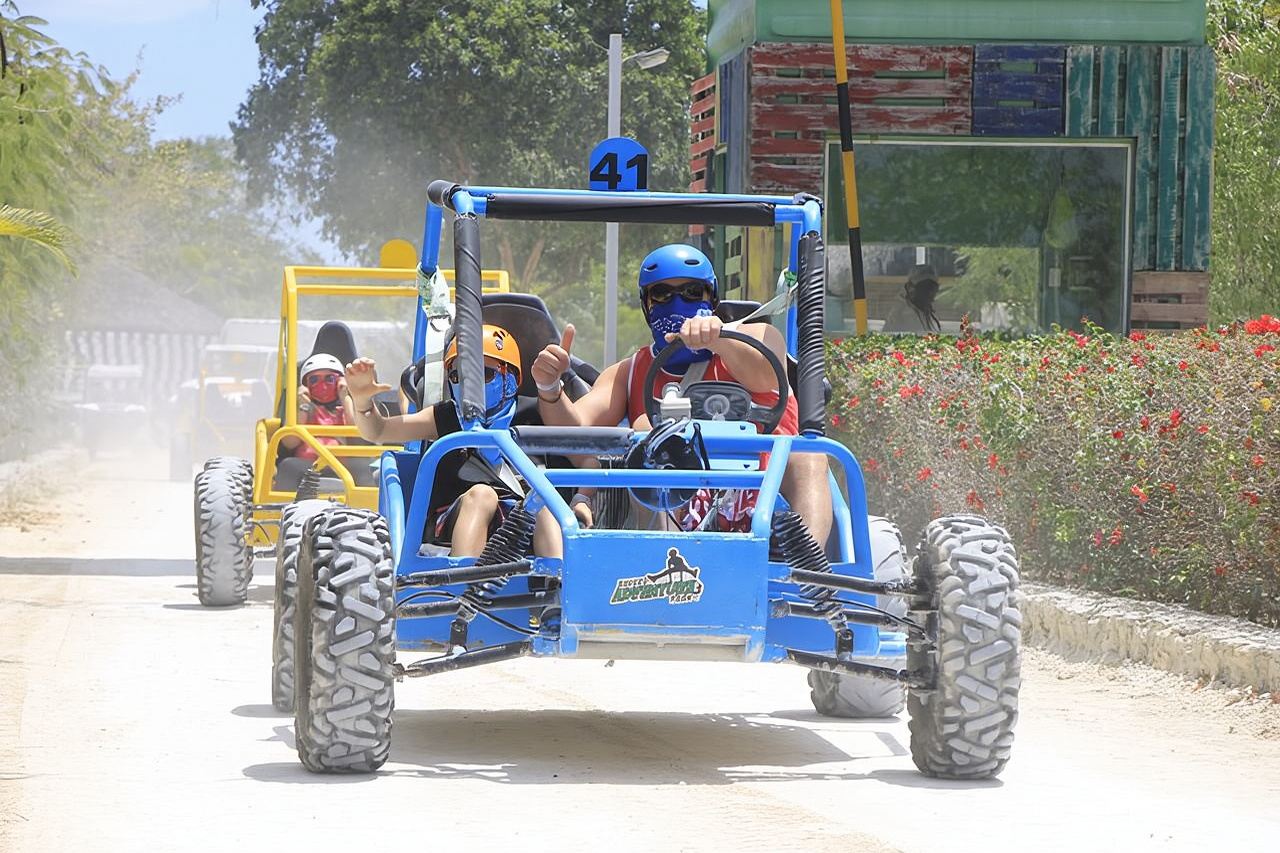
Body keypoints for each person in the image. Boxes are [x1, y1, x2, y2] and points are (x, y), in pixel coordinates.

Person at [530, 244, 832, 544]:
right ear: (647, 305)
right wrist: (549, 385)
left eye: (691, 292)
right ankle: (670, 573)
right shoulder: (630, 371)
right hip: (676, 509)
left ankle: (809, 573)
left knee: (808, 455)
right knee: (645, 434)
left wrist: (719, 339)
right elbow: (575, 432)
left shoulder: (758, 337)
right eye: (662, 294)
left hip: (766, 496)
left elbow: (765, 375)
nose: (677, 303)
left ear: (711, 298)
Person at [343, 323, 592, 557]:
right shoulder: (446, 416)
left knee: (542, 500)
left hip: (525, 525)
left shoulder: (534, 414)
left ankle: (558, 588)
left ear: (511, 379)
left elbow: (588, 460)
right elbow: (377, 431)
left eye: (483, 373)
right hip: (453, 522)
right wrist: (362, 401)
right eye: (456, 375)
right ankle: (462, 590)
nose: (466, 384)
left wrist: (582, 499)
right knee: (482, 496)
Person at [883, 264, 943, 333]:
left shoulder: (927, 311)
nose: (930, 292)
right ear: (911, 288)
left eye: (933, 287)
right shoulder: (903, 314)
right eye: (925, 287)